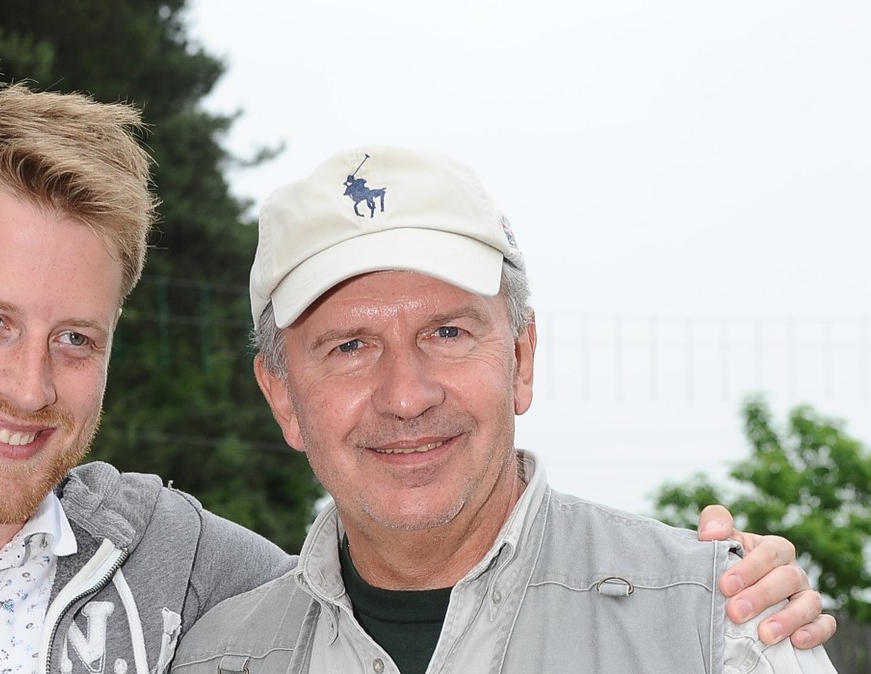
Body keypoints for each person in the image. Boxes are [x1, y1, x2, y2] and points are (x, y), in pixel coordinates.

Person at [0, 88, 830, 673]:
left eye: (76, 336)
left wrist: (710, 587)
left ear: (521, 352)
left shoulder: (187, 584)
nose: (30, 382)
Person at [170, 146, 839, 673]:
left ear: (522, 358)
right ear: (283, 396)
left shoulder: (718, 629)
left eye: (448, 333)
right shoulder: (213, 660)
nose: (406, 396)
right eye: (349, 346)